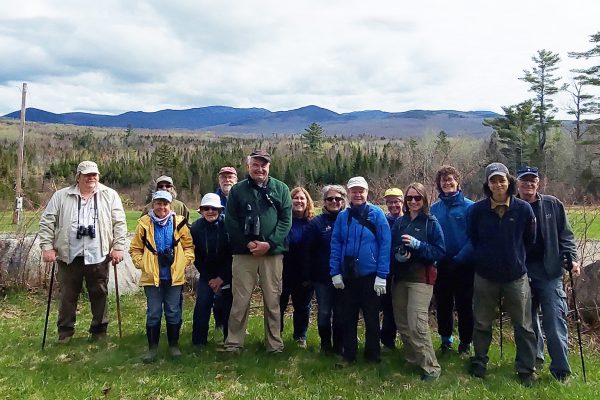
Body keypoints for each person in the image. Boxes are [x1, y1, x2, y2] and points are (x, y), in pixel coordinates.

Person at [39, 160, 127, 344]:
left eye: (94, 174)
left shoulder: (109, 195)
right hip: (69, 255)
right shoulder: (61, 196)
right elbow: (47, 222)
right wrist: (47, 247)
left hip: (98, 255)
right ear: (78, 177)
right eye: (87, 175)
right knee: (67, 295)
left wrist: (118, 247)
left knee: (100, 293)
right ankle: (65, 332)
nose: (91, 178)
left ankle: (99, 331)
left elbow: (119, 223)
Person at [467, 162, 538, 386]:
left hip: (516, 276)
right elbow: (473, 239)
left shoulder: (523, 209)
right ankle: (479, 361)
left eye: (502, 180)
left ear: (509, 182)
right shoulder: (476, 210)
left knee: (524, 325)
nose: (498, 184)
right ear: (487, 184)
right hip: (485, 276)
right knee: (481, 323)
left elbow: (529, 240)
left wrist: (514, 257)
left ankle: (526, 369)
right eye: (493, 180)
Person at [220, 150, 292, 353]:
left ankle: (274, 344)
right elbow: (231, 221)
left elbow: (286, 221)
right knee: (240, 300)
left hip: (272, 254)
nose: (260, 169)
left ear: (269, 167)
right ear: (248, 167)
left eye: (264, 165)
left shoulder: (281, 189)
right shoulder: (237, 190)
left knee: (273, 300)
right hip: (244, 254)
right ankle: (234, 343)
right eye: (255, 165)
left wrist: (269, 243)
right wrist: (247, 244)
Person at [516, 165, 580, 382]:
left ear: (538, 182)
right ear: (518, 183)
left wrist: (571, 258)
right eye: (524, 180)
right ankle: (534, 358)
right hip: (521, 273)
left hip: (549, 271)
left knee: (554, 321)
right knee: (527, 321)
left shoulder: (552, 204)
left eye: (532, 180)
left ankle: (561, 370)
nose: (529, 184)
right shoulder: (512, 206)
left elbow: (566, 235)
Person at [330, 176, 391, 366]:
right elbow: (336, 244)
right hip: (348, 275)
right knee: (348, 317)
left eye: (361, 191)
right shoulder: (342, 216)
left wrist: (382, 275)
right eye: (354, 191)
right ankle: (349, 355)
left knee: (372, 317)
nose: (357, 194)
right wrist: (335, 272)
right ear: (348, 193)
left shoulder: (377, 214)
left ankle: (373, 355)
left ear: (367, 193)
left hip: (370, 275)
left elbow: (385, 243)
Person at [129, 190, 195, 363]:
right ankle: (152, 349)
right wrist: (142, 263)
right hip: (152, 277)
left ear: (170, 206)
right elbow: (135, 249)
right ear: (153, 205)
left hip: (174, 277)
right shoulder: (143, 224)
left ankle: (174, 346)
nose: (162, 207)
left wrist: (184, 262)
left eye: (165, 204)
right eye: (158, 203)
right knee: (154, 313)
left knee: (173, 311)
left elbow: (189, 247)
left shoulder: (179, 223)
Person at [390, 182, 445, 381]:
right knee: (403, 323)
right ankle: (413, 357)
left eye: (417, 198)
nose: (413, 201)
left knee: (417, 323)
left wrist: (419, 246)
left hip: (421, 279)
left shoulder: (431, 222)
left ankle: (431, 367)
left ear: (424, 200)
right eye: (409, 198)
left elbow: (439, 251)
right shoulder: (400, 222)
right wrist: (398, 254)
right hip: (401, 278)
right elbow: (393, 245)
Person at [430, 166, 475, 356]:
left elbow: (475, 237)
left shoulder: (470, 207)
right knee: (443, 305)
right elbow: (430, 235)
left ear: (457, 182)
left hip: (464, 265)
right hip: (441, 265)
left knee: (465, 305)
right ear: (439, 185)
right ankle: (446, 340)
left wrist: (460, 258)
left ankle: (465, 342)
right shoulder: (434, 209)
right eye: (443, 181)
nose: (447, 183)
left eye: (450, 179)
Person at [305, 185, 347, 355]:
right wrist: (308, 275)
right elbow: (307, 252)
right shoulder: (316, 223)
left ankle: (339, 346)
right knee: (323, 311)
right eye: (330, 199)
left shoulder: (348, 220)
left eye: (338, 199)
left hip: (345, 276)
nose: (334, 202)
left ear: (343, 201)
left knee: (340, 313)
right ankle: (325, 345)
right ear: (324, 202)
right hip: (322, 277)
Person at [190, 193, 233, 347]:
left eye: (214, 208)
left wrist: (222, 278)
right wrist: (209, 278)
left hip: (228, 273)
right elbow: (196, 256)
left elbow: (233, 255)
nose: (210, 211)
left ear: (220, 210)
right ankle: (198, 342)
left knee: (230, 307)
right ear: (201, 211)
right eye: (206, 208)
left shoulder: (228, 226)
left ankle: (231, 341)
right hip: (206, 273)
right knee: (202, 304)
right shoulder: (195, 228)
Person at [280, 187, 315, 348]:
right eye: (295, 198)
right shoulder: (282, 221)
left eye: (302, 198)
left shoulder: (313, 223)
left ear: (307, 202)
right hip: (282, 270)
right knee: (278, 304)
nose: (299, 201)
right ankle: (275, 335)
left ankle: (300, 336)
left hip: (304, 271)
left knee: (302, 306)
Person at [212, 167, 238, 332]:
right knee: (219, 291)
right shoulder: (213, 199)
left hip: (238, 249)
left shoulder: (240, 197)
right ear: (219, 180)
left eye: (230, 177)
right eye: (224, 177)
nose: (227, 180)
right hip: (218, 250)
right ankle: (219, 323)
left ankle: (234, 324)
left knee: (237, 290)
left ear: (236, 179)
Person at [380, 187, 404, 350]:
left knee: (403, 307)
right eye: (389, 202)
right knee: (387, 306)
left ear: (403, 202)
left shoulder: (409, 220)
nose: (393, 205)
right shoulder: (383, 221)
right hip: (387, 270)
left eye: (396, 201)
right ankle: (388, 341)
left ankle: (409, 341)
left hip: (405, 271)